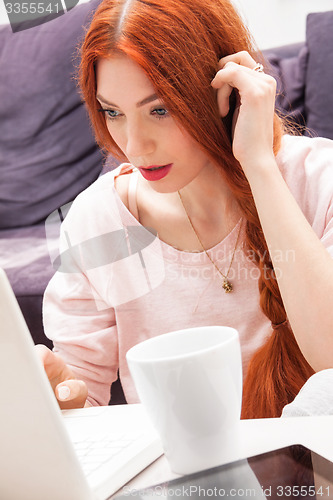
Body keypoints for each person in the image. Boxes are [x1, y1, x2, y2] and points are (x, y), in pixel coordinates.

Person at [37, 0, 333, 419]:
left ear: (226, 89)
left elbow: (331, 360)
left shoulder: (318, 178)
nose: (134, 147)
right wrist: (55, 395)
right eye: (113, 113)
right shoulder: (97, 220)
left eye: (160, 109)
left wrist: (259, 164)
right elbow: (81, 397)